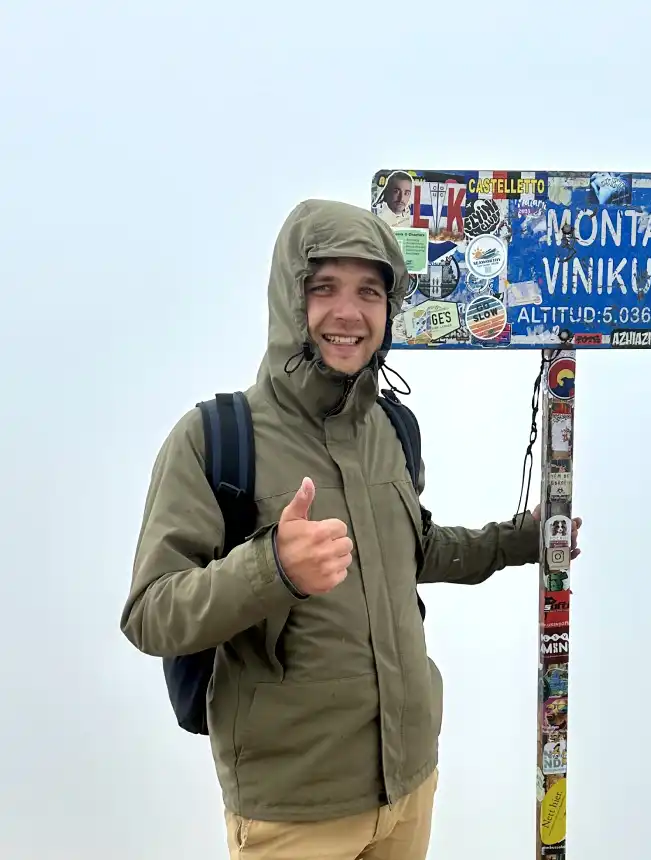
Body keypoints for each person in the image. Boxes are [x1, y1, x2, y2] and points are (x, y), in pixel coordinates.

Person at [120, 198, 581, 860]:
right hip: (296, 812)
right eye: (324, 287)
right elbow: (151, 613)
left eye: (370, 290)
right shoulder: (215, 439)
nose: (348, 311)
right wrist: (270, 567)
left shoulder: (390, 430)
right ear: (289, 298)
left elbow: (413, 549)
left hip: (409, 784)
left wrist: (516, 541)